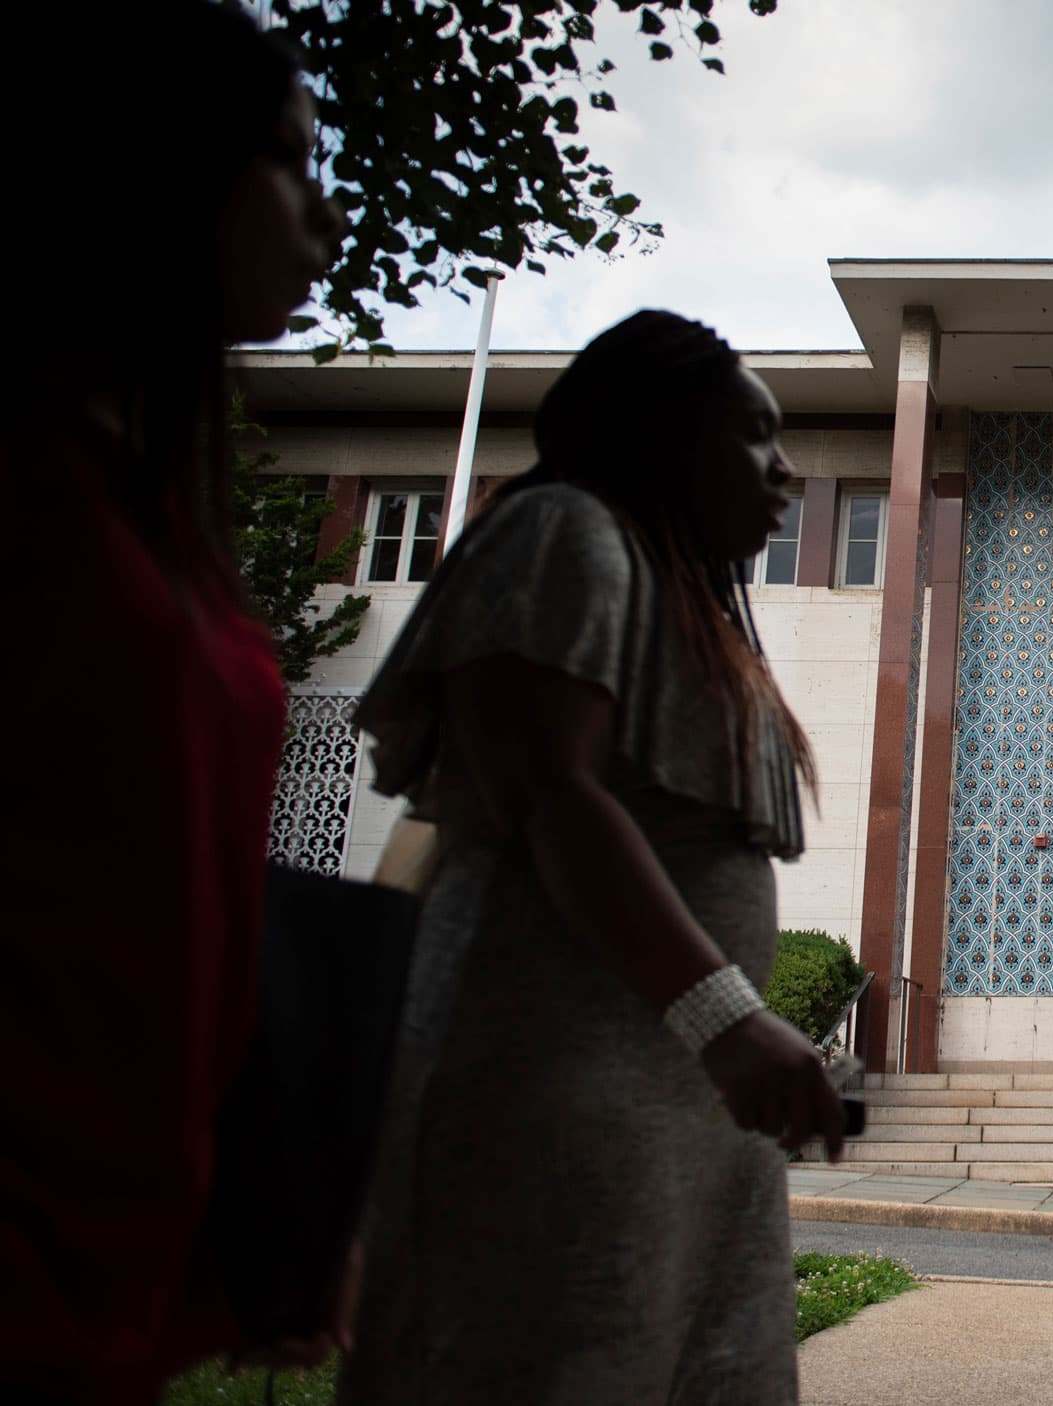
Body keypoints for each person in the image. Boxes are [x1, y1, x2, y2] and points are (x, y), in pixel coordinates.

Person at [340, 310, 849, 1404]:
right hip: (562, 1080)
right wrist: (725, 1015)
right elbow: (545, 789)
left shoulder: (695, 602)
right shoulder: (566, 532)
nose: (788, 470)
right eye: (754, 436)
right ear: (663, 432)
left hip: (687, 1098)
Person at [0, 4, 345, 1400]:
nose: (323, 213)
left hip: (117, 1262)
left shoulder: (157, 513)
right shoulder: (29, 487)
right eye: (292, 160)